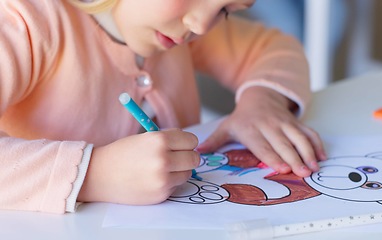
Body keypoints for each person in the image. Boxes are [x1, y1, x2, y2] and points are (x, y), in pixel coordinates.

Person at [0, 0, 326, 214]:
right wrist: (92, 174)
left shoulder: (186, 27)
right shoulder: (26, 21)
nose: (201, 24)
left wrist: (263, 101)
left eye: (226, 9)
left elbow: (275, 48)